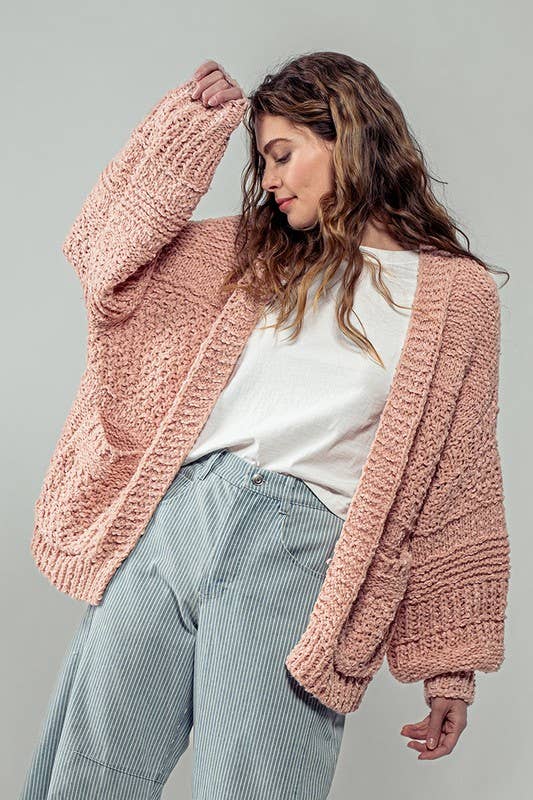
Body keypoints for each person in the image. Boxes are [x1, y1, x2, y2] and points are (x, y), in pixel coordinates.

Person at [20, 52, 511, 798]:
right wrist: (188, 130)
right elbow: (104, 256)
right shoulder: (253, 252)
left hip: (296, 551)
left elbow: (461, 477)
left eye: (283, 154)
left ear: (346, 135)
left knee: (256, 786)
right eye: (263, 162)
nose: (270, 180)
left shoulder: (457, 296)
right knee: (85, 781)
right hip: (170, 526)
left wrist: (450, 667)